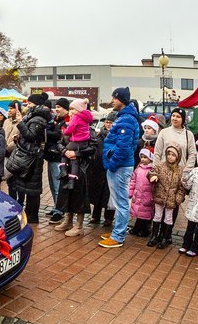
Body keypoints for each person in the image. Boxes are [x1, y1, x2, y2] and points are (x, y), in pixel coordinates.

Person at [98, 87, 140, 248]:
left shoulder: (126, 120)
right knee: (118, 201)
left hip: (120, 167)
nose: (112, 101)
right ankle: (117, 231)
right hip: (119, 166)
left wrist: (112, 163)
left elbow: (123, 147)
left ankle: (118, 236)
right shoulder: (125, 117)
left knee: (121, 202)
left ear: (121, 100)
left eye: (114, 98)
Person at [8, 93, 52, 222]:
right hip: (29, 155)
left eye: (30, 103)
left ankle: (33, 215)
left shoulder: (38, 118)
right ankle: (29, 212)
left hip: (33, 157)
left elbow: (31, 136)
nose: (27, 106)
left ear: (36, 104)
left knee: (33, 188)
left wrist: (20, 123)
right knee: (27, 186)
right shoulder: (33, 116)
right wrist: (19, 138)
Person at [147, 146, 185, 248]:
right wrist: (153, 176)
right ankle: (154, 236)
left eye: (173, 155)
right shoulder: (160, 166)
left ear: (177, 157)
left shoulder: (180, 170)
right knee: (157, 216)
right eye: (169, 154)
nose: (170, 157)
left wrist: (178, 198)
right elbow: (152, 171)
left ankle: (164, 237)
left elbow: (182, 187)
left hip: (171, 199)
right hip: (159, 196)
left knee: (168, 218)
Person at [59, 98, 93, 185]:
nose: (71, 111)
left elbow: (70, 129)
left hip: (76, 143)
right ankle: (71, 181)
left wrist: (64, 132)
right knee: (74, 161)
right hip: (82, 144)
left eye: (72, 109)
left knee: (65, 154)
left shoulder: (76, 118)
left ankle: (63, 171)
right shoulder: (85, 120)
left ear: (78, 109)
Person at [45, 99, 68, 222]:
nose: (56, 109)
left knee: (58, 185)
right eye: (56, 107)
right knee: (52, 185)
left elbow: (59, 136)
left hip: (58, 157)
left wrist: (46, 131)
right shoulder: (57, 120)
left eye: (59, 107)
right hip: (51, 156)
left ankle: (59, 211)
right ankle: (56, 207)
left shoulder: (66, 122)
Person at [129, 147, 156, 237]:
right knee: (139, 213)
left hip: (147, 196)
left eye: (145, 157)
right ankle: (137, 228)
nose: (143, 159)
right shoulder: (138, 169)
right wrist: (131, 192)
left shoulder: (152, 170)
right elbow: (133, 181)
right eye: (142, 157)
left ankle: (145, 229)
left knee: (146, 214)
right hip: (138, 195)